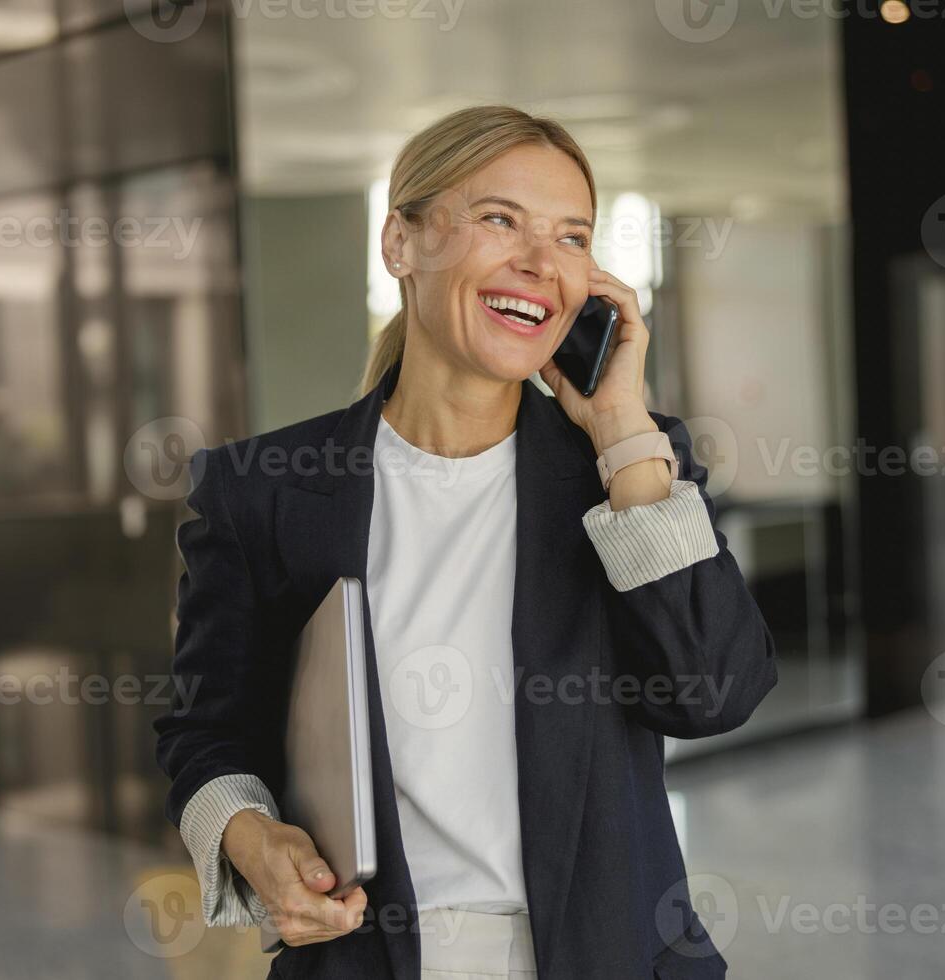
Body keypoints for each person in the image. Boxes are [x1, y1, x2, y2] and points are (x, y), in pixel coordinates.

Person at [153, 104, 778, 980]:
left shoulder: (628, 470)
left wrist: (623, 432)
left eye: (571, 237)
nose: (539, 263)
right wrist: (249, 837)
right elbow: (206, 735)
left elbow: (714, 693)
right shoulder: (265, 490)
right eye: (498, 220)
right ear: (400, 244)